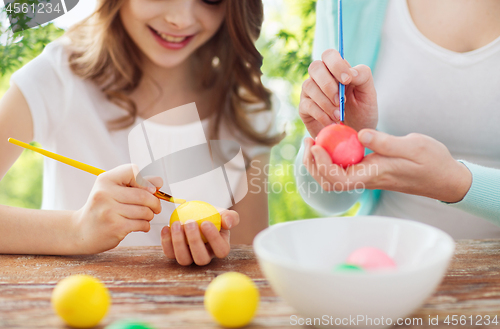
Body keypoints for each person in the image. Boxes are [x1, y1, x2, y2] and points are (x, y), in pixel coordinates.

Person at [0, 0, 282, 264]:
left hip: (189, 313)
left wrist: (215, 255)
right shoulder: (58, 77)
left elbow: (249, 262)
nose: (179, 20)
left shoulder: (247, 110)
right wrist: (76, 229)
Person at [296, 0, 500, 239]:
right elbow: (328, 202)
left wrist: (458, 183)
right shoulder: (347, 6)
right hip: (383, 260)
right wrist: (336, 144)